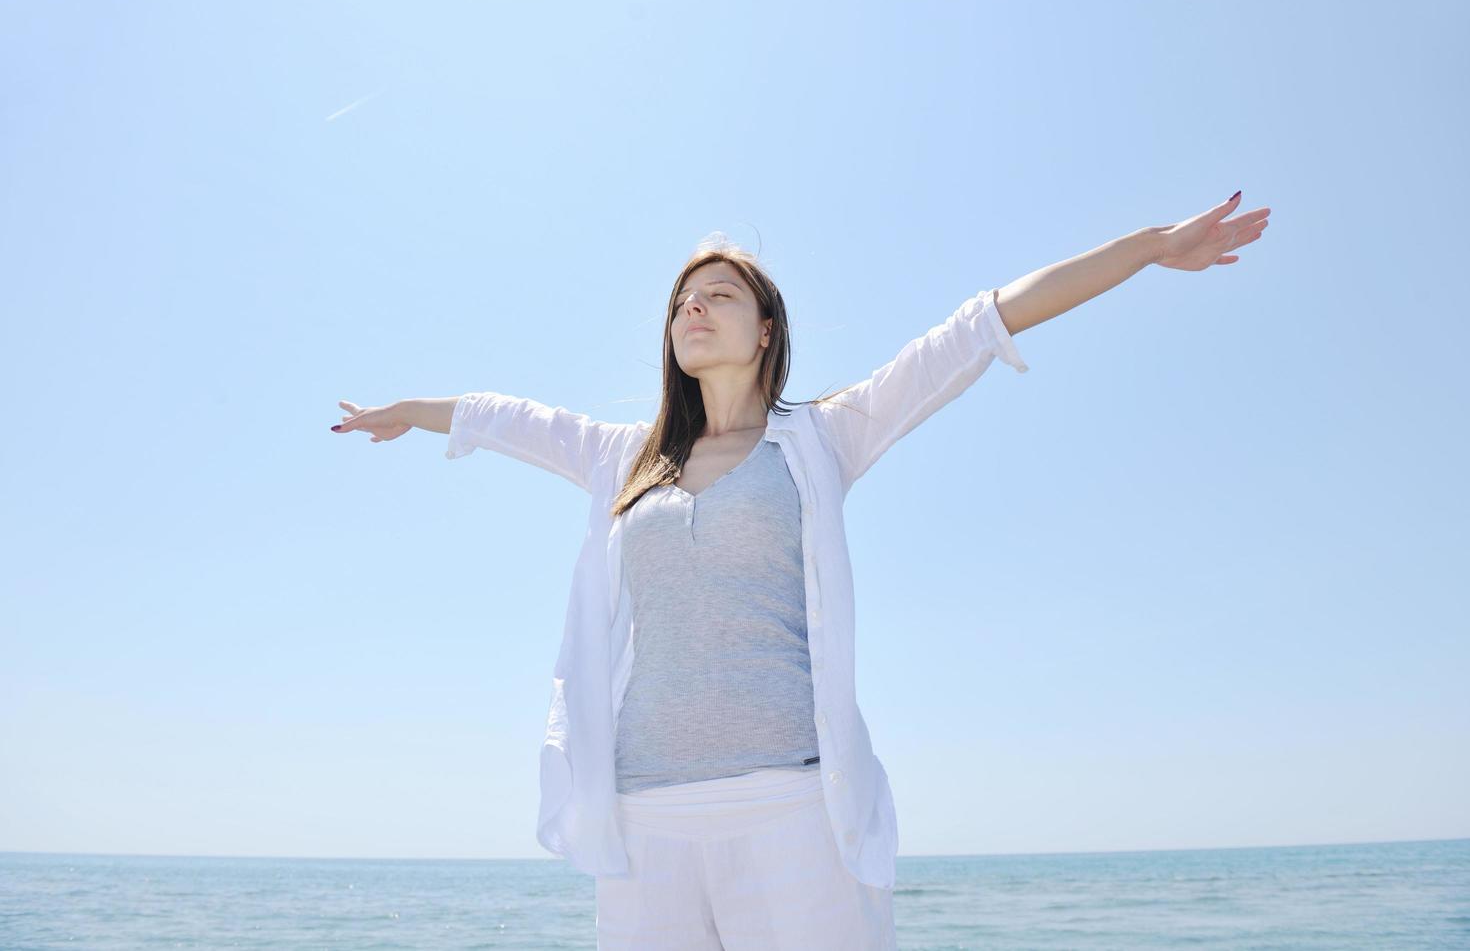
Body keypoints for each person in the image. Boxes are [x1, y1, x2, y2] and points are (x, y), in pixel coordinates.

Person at [330, 194, 1269, 949]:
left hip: (789, 807)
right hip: (644, 816)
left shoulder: (823, 437)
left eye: (718, 295)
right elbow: (503, 414)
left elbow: (982, 322)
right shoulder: (623, 457)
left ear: (768, 329)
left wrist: (1149, 246)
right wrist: (408, 411)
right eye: (679, 301)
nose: (690, 308)